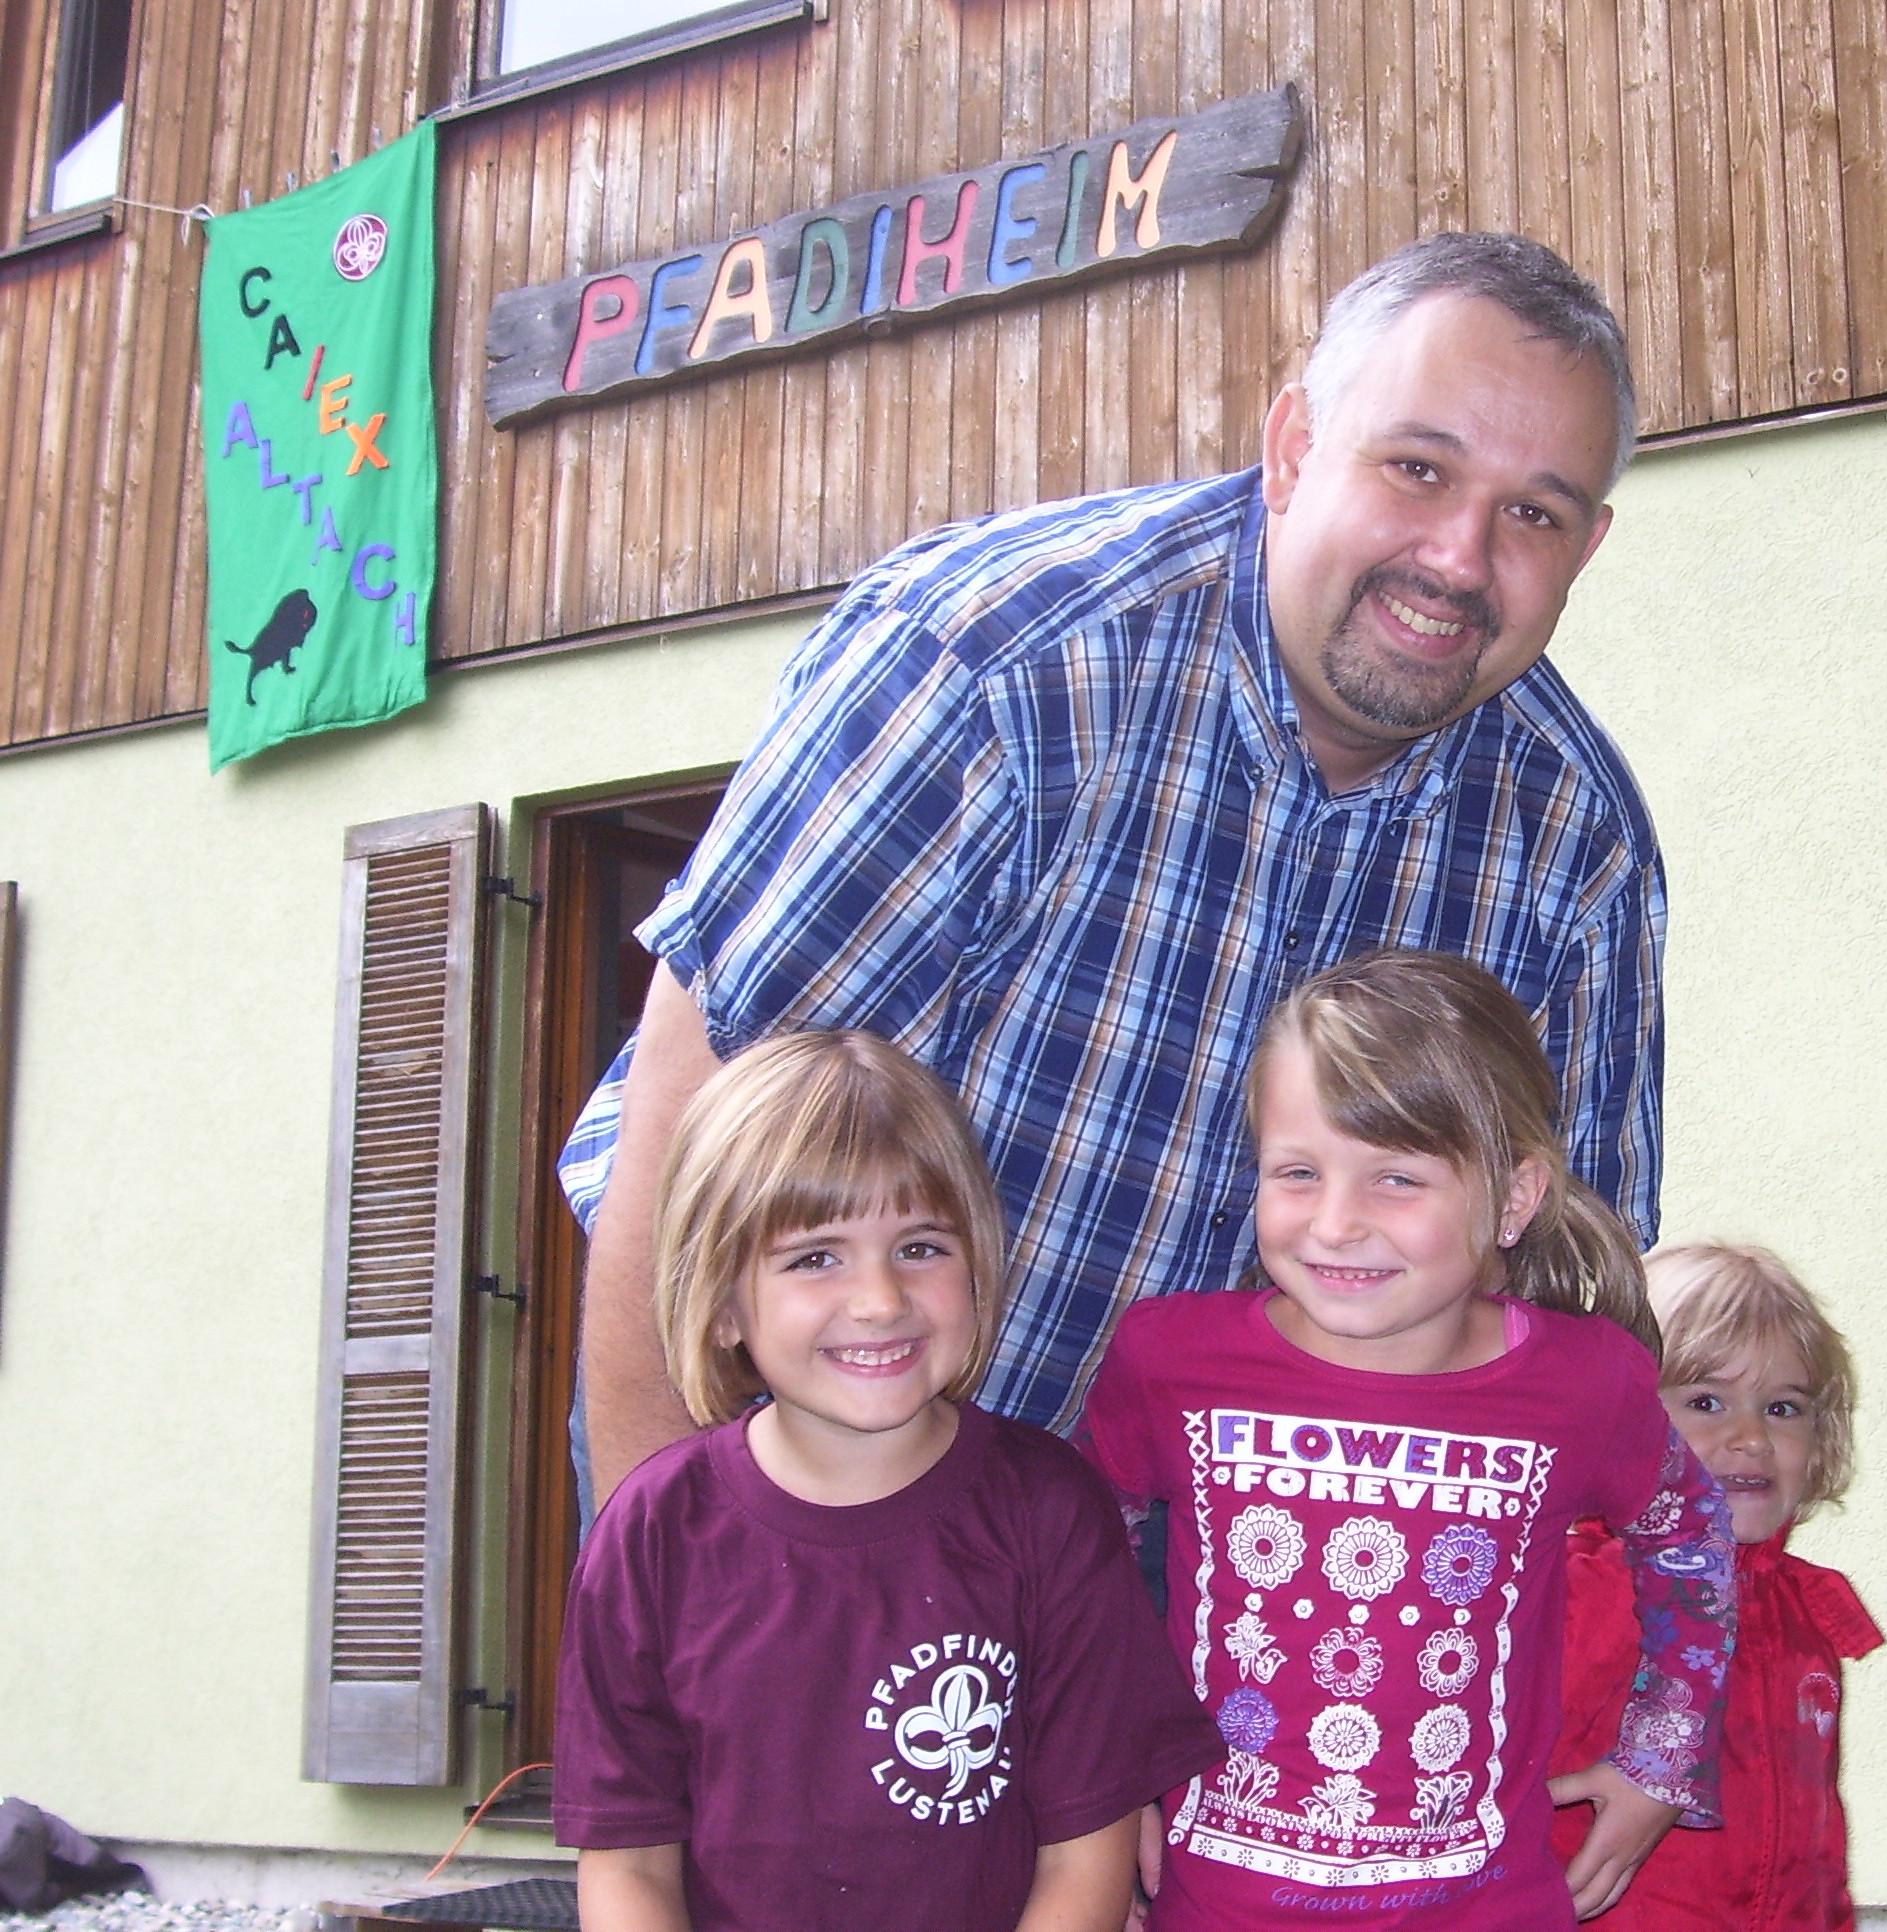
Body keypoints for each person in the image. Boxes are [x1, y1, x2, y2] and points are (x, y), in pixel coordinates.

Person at [559, 230, 1666, 1504]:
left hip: (1234, 1561)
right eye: (1417, 468)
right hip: (822, 1480)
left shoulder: (1577, 846)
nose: (1460, 559)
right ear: (1293, 447)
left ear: (1586, 549)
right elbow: (698, 1109)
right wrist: (664, 1551)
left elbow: (1565, 1276)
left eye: (1532, 514)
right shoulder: (988, 662)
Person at [1077, 949, 1734, 1929]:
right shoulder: (1165, 1360)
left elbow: (1688, 1540)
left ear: (1512, 1200)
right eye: (1298, 1172)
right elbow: (1080, 1573)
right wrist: (1109, 1773)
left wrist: (1660, 1760)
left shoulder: (1585, 1384)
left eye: (1395, 1179)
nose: (1335, 1223)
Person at [553, 1030, 1221, 1932]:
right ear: (720, 1302)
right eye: (814, 1257)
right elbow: (628, 1863)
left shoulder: (1050, 1509)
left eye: (920, 1247)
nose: (879, 1300)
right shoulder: (651, 1530)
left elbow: (1086, 1854)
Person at [1549, 1243, 1883, 1932]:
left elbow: (1813, 1840)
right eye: (1706, 1402)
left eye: (1783, 1408)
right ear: (1616, 1420)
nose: (1752, 1438)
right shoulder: (1587, 1593)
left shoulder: (1798, 1611)